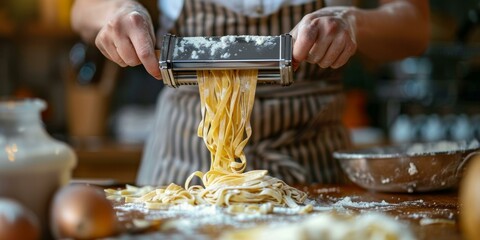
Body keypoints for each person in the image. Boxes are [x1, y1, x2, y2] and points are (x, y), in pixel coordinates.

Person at [71, 0, 430, 186]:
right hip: (183, 172)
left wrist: (354, 22)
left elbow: (414, 24)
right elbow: (82, 8)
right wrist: (118, 10)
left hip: (312, 171)